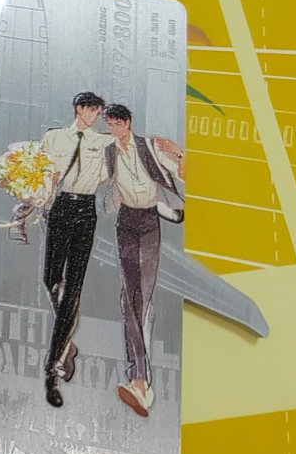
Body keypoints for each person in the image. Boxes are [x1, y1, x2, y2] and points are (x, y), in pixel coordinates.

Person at [102, 102, 185, 417]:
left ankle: (142, 383)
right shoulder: (108, 151)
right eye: (110, 125)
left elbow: (186, 176)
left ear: (128, 123)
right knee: (129, 299)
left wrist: (179, 154)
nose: (115, 130)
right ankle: (139, 380)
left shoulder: (150, 146)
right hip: (126, 221)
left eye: (118, 124)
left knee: (142, 300)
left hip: (150, 221)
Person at [37, 90, 112, 407]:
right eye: (90, 110)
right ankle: (68, 344)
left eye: (98, 112)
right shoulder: (54, 138)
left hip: (85, 210)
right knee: (51, 279)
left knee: (72, 291)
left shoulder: (105, 143)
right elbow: (41, 172)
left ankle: (52, 372)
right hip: (60, 207)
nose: (94, 116)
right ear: (78, 109)